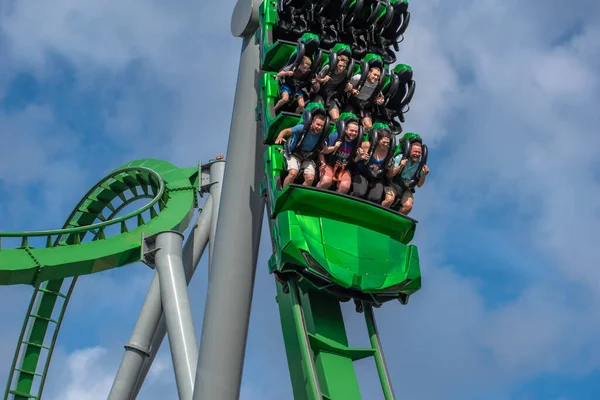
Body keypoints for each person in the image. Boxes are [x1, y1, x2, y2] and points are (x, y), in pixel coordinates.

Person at [274, 113, 327, 188]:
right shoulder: (302, 127)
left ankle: (295, 195)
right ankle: (284, 193)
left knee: (310, 178)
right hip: (294, 154)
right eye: (317, 124)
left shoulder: (321, 135)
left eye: (321, 126)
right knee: (293, 173)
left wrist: (323, 161)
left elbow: (321, 150)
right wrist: (280, 137)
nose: (319, 127)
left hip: (307, 157)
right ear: (312, 122)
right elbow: (286, 131)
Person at [317, 119, 367, 194]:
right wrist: (323, 162)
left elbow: (354, 161)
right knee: (326, 181)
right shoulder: (336, 136)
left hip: (344, 168)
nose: (353, 133)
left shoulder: (356, 143)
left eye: (356, 131)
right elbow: (321, 151)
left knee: (345, 186)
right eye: (351, 130)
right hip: (330, 164)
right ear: (346, 130)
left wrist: (359, 156)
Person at [350, 129, 394, 205]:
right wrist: (360, 156)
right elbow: (353, 158)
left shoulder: (388, 152)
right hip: (362, 173)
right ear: (377, 140)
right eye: (383, 142)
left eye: (387, 143)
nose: (386, 144)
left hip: (377, 177)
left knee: (375, 198)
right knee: (360, 193)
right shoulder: (367, 145)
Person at [385, 141, 430, 214]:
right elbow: (390, 174)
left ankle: (395, 221)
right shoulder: (400, 158)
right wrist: (401, 166)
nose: (417, 154)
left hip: (406, 189)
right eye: (415, 152)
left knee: (408, 206)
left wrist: (424, 175)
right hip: (393, 184)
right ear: (409, 151)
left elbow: (419, 185)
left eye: (419, 153)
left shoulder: (420, 165)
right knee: (389, 200)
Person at [312, 53, 352, 122]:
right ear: (336, 63)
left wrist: (349, 85)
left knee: (336, 118)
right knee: (319, 112)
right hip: (321, 93)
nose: (341, 68)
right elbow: (315, 80)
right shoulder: (328, 67)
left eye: (344, 66)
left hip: (331, 95)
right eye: (340, 66)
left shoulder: (345, 73)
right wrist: (323, 80)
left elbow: (346, 83)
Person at [344, 66, 385, 131]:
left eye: (378, 76)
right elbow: (345, 87)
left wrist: (379, 101)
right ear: (369, 73)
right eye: (374, 74)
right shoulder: (358, 78)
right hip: (353, 103)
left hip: (365, 106)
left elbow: (379, 98)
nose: (376, 77)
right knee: (348, 120)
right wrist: (352, 90)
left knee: (369, 126)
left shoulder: (378, 84)